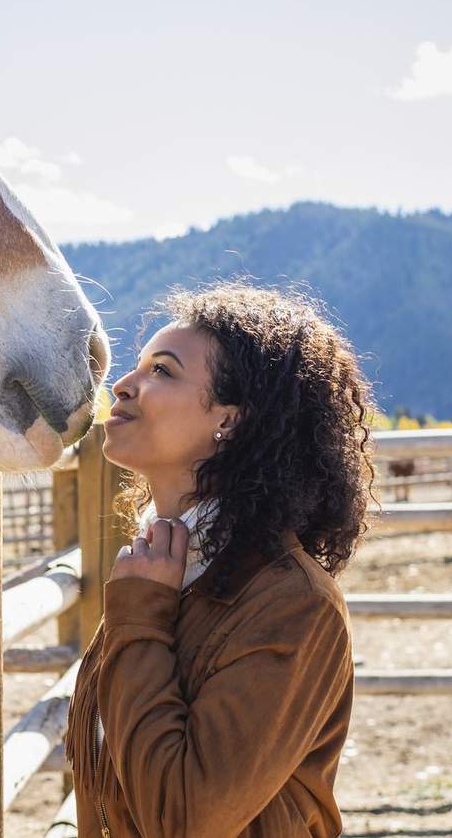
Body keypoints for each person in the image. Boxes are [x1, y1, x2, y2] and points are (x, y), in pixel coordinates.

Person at [65, 282, 375, 837]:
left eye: (162, 370)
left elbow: (186, 819)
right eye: (138, 366)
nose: (124, 385)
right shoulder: (157, 564)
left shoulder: (292, 604)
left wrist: (140, 617)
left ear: (230, 420)